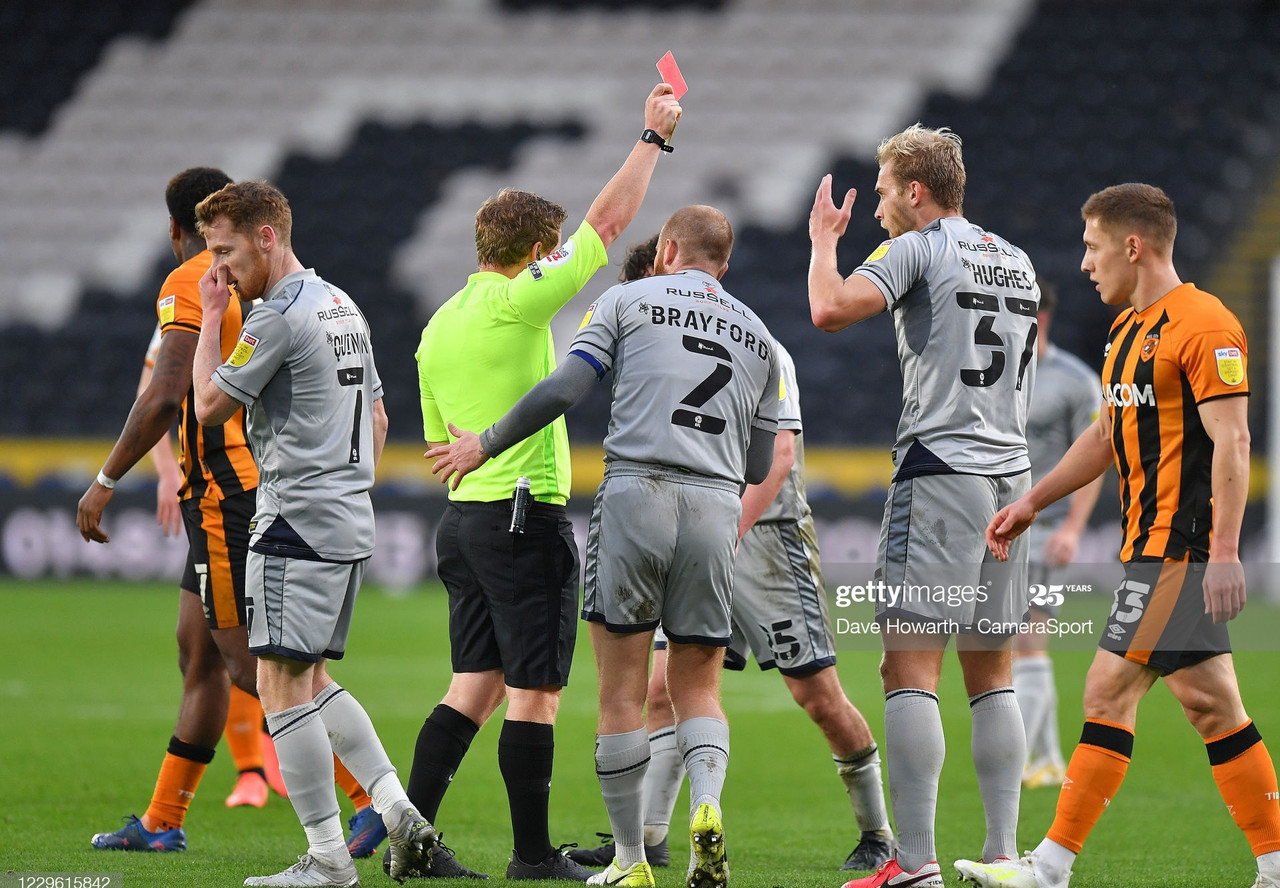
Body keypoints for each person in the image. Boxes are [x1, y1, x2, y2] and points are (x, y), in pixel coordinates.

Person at [428, 203, 782, 888]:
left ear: (668, 252)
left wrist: (486, 442)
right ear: (723, 264)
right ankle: (705, 807)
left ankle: (629, 860)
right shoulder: (759, 335)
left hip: (636, 495)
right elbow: (761, 463)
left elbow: (565, 387)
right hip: (715, 506)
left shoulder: (627, 298)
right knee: (698, 685)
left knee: (621, 690)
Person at [955, 185, 1280, 888]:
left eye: (1092, 246)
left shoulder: (1207, 325)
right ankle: (1276, 866)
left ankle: (1048, 868)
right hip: (1149, 547)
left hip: (1179, 550)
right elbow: (1105, 434)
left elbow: (1234, 440)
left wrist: (1223, 554)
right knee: (1214, 708)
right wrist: (1034, 501)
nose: (1083, 264)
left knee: (1106, 691)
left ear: (1132, 246)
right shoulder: (1127, 332)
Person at [405, 82, 682, 882]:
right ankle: (532, 857)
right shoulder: (516, 308)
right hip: (523, 517)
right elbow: (608, 226)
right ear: (535, 254)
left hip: (464, 524)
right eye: (552, 252)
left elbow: (439, 443)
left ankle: (410, 841)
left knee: (472, 687)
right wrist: (652, 139)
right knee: (535, 694)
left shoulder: (438, 325)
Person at [567, 243, 895, 875]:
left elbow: (778, 456)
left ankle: (878, 831)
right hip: (702, 527)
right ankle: (651, 837)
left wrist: (731, 529)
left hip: (767, 538)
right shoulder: (720, 330)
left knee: (817, 694)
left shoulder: (763, 346)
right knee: (665, 691)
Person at [808, 124, 1040, 888]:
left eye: (880, 193)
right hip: (1013, 479)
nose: (875, 209)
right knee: (993, 671)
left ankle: (913, 864)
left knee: (908, 669)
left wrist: (822, 241)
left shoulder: (918, 247)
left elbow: (831, 310)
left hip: (941, 472)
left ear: (915, 190)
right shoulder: (1017, 261)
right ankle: (1006, 857)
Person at [191, 180, 435, 888]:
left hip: (296, 516)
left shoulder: (276, 315)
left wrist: (213, 319)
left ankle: (329, 861)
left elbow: (209, 404)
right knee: (313, 677)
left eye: (226, 251)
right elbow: (382, 419)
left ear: (267, 237)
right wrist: (347, 479)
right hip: (350, 515)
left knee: (277, 685)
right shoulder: (341, 304)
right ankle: (397, 809)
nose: (220, 271)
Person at [78, 166, 263, 853]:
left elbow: (160, 396)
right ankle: (162, 820)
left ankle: (373, 801)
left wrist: (104, 479)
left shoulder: (190, 284)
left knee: (248, 665)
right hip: (223, 490)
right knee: (201, 654)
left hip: (226, 493)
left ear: (175, 229)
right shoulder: (250, 281)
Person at [1013, 281, 1104, 790]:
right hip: (1006, 528)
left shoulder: (1076, 381)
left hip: (1047, 529)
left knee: (1028, 639)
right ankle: (1045, 758)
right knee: (1011, 644)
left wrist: (1072, 528)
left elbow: (1096, 459)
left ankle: (1034, 758)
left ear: (1040, 319)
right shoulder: (1002, 372)